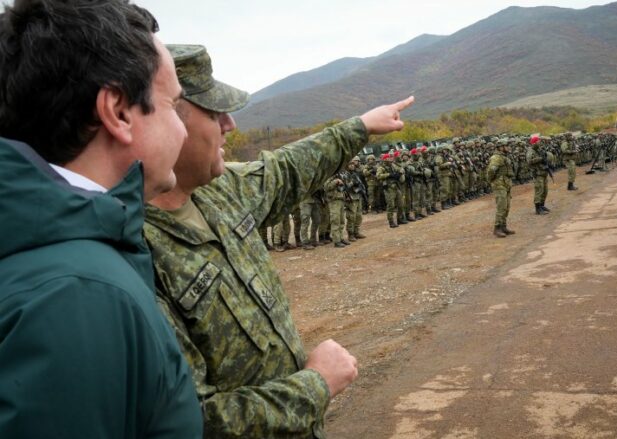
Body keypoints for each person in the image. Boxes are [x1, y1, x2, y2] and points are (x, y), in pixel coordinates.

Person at [142, 44, 413, 438]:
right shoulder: (137, 252)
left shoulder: (217, 191)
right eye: (214, 113)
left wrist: (360, 126)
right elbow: (194, 420)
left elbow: (286, 170)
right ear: (165, 121)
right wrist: (314, 385)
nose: (230, 124)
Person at [0, 1, 202, 438]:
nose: (183, 130)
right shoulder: (76, 296)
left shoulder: (49, 256)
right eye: (172, 105)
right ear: (118, 112)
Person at [487, 139, 516, 237]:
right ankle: (497, 228)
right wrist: (493, 181)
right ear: (500, 147)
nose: (508, 147)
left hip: (506, 183)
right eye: (506, 146)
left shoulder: (504, 157)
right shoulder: (496, 158)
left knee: (507, 207)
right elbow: (491, 171)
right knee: (501, 206)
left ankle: (503, 226)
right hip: (499, 184)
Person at [527, 135, 551, 215]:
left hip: (543, 173)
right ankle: (538, 208)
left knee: (545, 191)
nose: (539, 142)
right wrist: (540, 159)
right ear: (534, 143)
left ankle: (542, 205)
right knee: (539, 191)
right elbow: (529, 161)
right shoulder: (530, 151)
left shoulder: (539, 150)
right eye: (538, 141)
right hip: (537, 174)